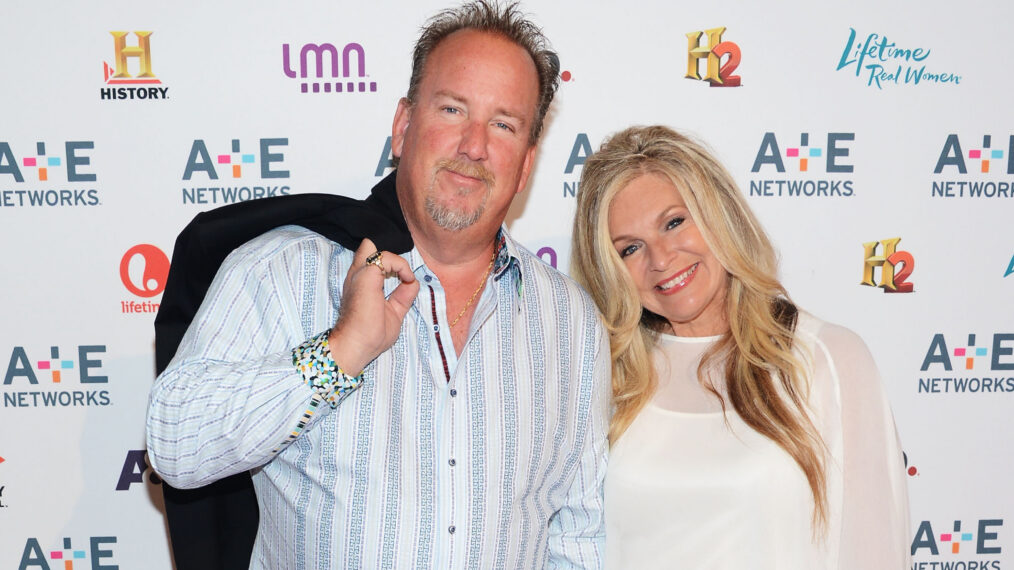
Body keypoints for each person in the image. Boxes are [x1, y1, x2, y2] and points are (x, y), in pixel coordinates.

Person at [146, 2, 610, 568]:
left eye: (503, 124)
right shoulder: (283, 269)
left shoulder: (570, 319)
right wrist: (340, 353)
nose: (474, 144)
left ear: (528, 162)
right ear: (402, 125)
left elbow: (578, 532)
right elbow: (173, 444)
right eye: (452, 108)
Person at [570, 125, 910, 568]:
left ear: (719, 215)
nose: (660, 259)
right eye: (630, 249)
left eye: (674, 223)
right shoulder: (605, 380)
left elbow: (874, 551)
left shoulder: (826, 358)